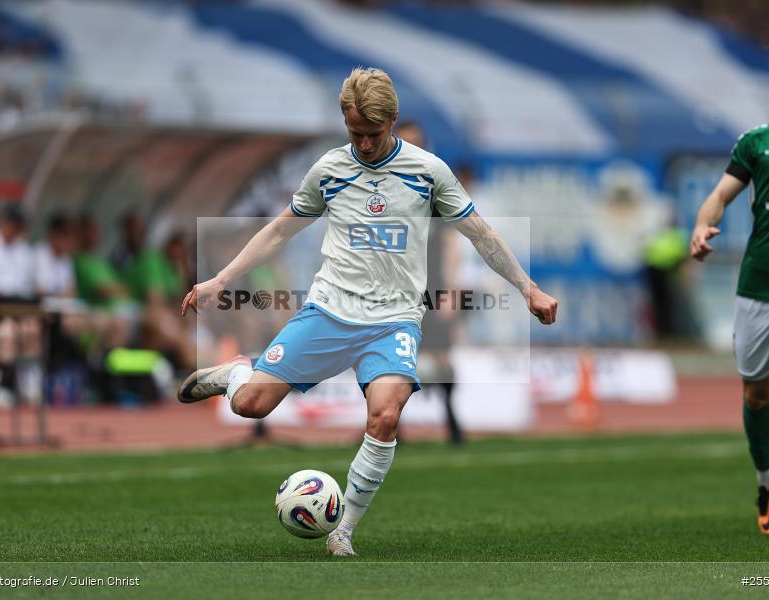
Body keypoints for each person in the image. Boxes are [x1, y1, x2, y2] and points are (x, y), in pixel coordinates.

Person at [179, 67, 558, 556]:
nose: (363, 144)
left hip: (394, 320)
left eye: (373, 135)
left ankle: (343, 532)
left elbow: (480, 234)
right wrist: (220, 280)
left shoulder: (428, 172)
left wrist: (528, 289)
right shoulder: (330, 170)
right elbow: (278, 232)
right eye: (354, 134)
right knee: (249, 406)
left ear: (393, 122)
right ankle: (236, 375)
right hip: (329, 311)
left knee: (384, 415)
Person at [690, 38, 769, 535]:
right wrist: (701, 227)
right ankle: (766, 478)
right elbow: (719, 196)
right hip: (759, 288)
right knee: (758, 395)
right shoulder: (758, 143)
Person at [395, 119, 464, 444]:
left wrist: (450, 286)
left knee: (441, 355)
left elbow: (450, 238)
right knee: (394, 357)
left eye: (416, 143)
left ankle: (451, 420)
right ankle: (393, 425)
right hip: (396, 287)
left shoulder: (435, 184)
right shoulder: (384, 186)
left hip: (432, 284)